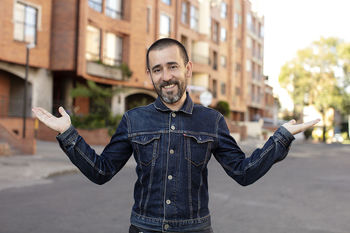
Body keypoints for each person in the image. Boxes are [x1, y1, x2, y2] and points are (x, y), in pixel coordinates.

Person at [32, 38, 320, 233]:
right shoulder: (134, 120)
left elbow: (243, 173)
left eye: (172, 66)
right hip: (144, 228)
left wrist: (281, 137)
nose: (166, 76)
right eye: (157, 69)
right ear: (150, 74)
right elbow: (101, 171)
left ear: (188, 69)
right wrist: (68, 134)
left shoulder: (212, 120)